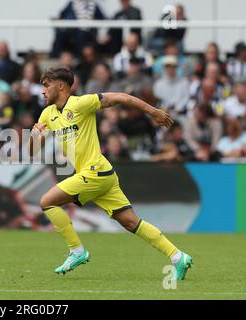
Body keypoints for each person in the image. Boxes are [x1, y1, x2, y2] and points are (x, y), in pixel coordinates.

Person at [28, 68, 192, 279]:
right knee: (131, 222)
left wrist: (153, 112)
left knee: (47, 201)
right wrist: (34, 136)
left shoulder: (80, 104)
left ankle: (77, 251)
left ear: (61, 86)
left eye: (46, 84)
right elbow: (33, 151)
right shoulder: (47, 114)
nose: (43, 91)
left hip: (95, 172)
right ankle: (178, 257)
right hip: (102, 176)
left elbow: (121, 97)